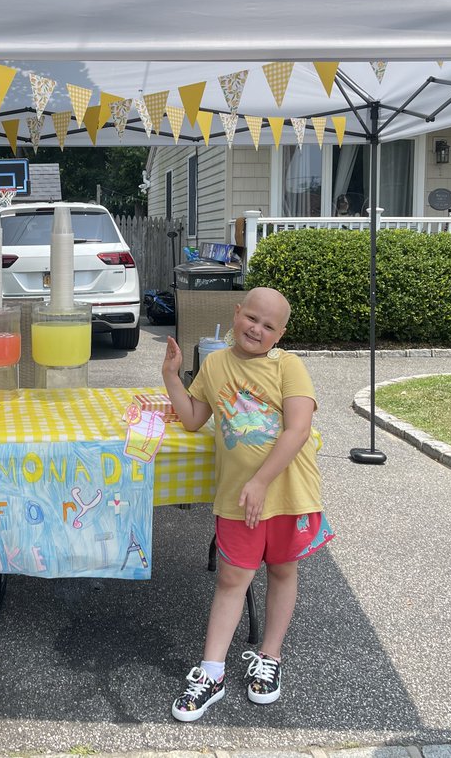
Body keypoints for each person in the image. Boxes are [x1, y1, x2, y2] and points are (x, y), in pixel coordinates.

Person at [160, 286, 333, 722]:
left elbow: (297, 429)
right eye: (251, 318)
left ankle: (270, 656)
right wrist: (171, 377)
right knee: (233, 577)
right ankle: (212, 671)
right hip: (239, 497)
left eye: (269, 325)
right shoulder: (216, 364)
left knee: (282, 570)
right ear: (236, 313)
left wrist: (261, 481)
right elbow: (194, 417)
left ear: (281, 334)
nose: (256, 329)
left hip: (289, 493)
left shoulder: (289, 367)